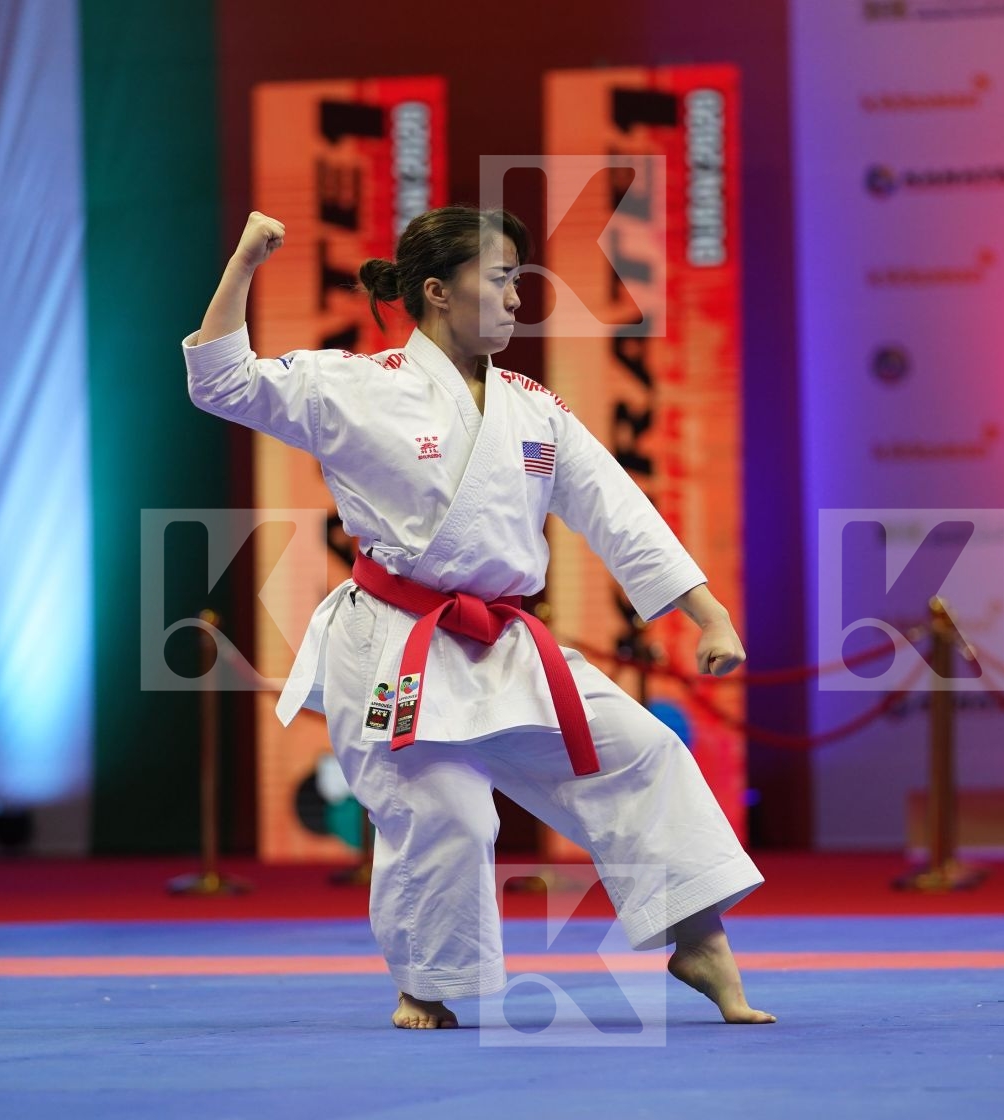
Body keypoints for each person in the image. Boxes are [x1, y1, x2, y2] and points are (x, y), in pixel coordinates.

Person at [184, 206, 774, 1029]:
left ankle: (697, 936)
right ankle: (424, 982)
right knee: (449, 814)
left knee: (644, 750)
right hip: (398, 645)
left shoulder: (532, 408)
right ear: (438, 292)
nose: (515, 301)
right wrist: (246, 258)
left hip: (501, 642)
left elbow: (620, 513)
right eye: (499, 281)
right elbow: (221, 381)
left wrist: (707, 613)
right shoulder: (357, 386)